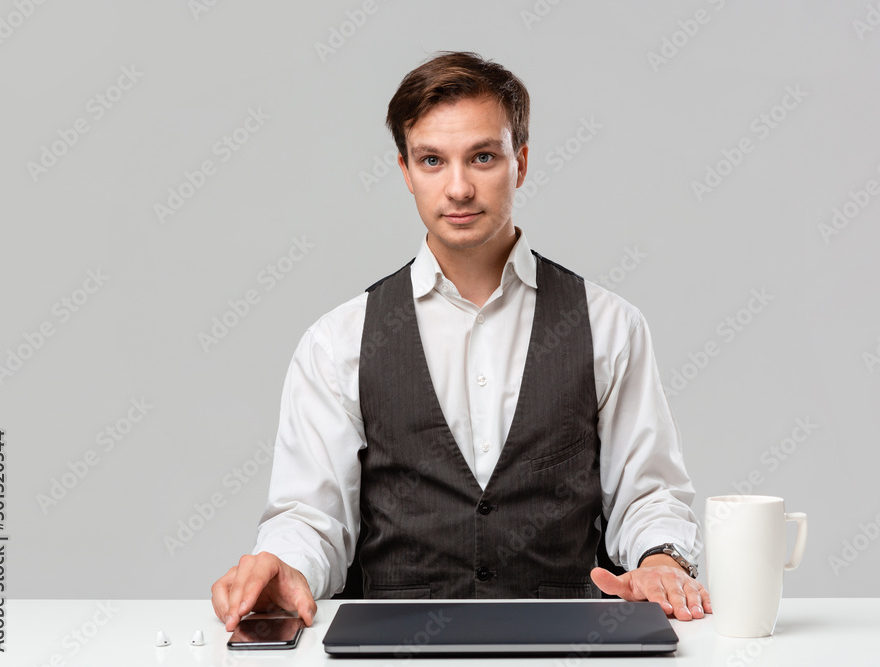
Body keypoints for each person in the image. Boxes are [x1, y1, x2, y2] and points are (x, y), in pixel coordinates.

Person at [212, 51, 711, 632]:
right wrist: (286, 563)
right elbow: (310, 516)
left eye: (482, 157)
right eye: (432, 160)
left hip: (565, 646)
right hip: (394, 650)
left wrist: (660, 561)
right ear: (406, 172)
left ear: (520, 163)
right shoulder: (338, 341)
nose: (458, 188)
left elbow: (649, 495)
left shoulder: (609, 326)